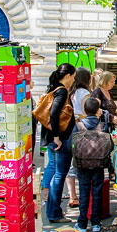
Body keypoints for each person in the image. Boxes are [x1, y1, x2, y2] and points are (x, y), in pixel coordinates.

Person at [44, 63, 76, 223]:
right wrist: (56, 136)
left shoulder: (53, 88)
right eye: (73, 76)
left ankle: (53, 210)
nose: (74, 80)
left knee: (57, 174)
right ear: (68, 75)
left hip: (55, 139)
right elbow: (54, 113)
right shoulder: (62, 90)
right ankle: (54, 213)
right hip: (60, 140)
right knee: (59, 175)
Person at [74, 98, 108, 232]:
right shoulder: (102, 125)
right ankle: (96, 223)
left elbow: (73, 142)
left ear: (84, 110)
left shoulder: (78, 124)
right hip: (99, 162)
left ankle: (82, 223)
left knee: (84, 192)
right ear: (98, 111)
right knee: (97, 192)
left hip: (82, 163)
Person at [64, 67, 94, 209]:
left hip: (71, 128)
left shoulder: (72, 92)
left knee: (71, 162)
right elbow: (85, 112)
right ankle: (83, 197)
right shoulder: (85, 93)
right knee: (81, 162)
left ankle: (72, 195)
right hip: (81, 129)